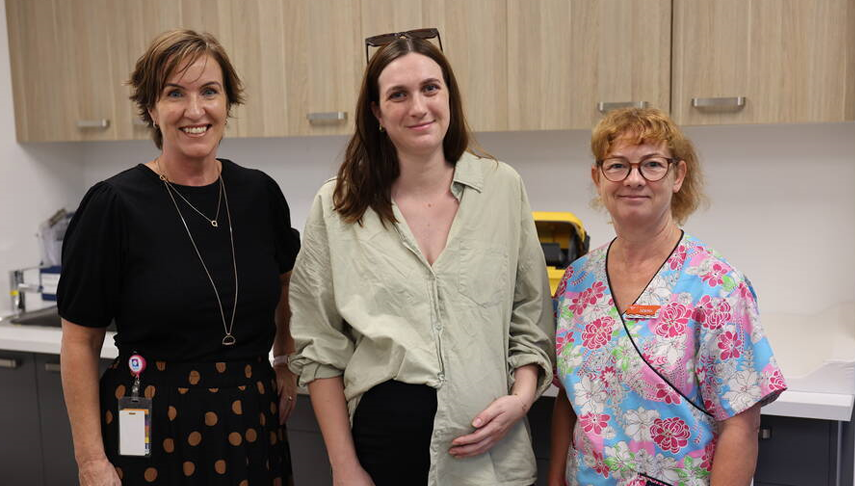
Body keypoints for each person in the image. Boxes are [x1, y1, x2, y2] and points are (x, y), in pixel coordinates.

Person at [288, 31, 554, 486]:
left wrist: (523, 397)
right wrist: (344, 467)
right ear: (376, 112)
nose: (418, 107)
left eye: (431, 88)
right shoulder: (336, 206)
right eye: (398, 94)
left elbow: (529, 316)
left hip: (491, 456)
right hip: (381, 455)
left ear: (449, 95)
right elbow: (320, 347)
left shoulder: (502, 187)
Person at [57, 29, 300, 485]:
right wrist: (90, 460)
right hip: (152, 422)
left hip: (251, 418)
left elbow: (286, 282)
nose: (195, 110)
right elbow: (78, 342)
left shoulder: (259, 194)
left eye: (209, 91)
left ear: (228, 102)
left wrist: (285, 358)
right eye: (175, 93)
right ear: (151, 108)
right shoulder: (114, 205)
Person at [548, 108, 787, 486]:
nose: (634, 179)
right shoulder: (577, 281)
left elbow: (740, 425)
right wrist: (555, 480)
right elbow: (570, 399)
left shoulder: (717, 286)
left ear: (678, 175)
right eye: (618, 165)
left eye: (652, 165)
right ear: (598, 177)